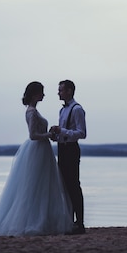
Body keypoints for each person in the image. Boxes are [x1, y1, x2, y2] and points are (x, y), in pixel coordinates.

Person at [0, 81, 73, 236]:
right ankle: (33, 220)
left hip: (41, 150)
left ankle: (44, 219)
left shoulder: (33, 111)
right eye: (41, 92)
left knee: (43, 186)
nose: (44, 95)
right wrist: (49, 135)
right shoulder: (32, 112)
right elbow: (33, 135)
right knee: (35, 186)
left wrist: (48, 134)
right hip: (38, 149)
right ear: (35, 94)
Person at [50, 79, 87, 234]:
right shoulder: (62, 110)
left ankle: (79, 223)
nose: (58, 92)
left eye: (61, 90)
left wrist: (62, 132)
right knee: (65, 186)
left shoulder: (77, 109)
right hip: (62, 149)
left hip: (71, 150)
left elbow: (82, 133)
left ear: (69, 91)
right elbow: (64, 132)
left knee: (73, 186)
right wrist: (56, 135)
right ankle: (70, 222)